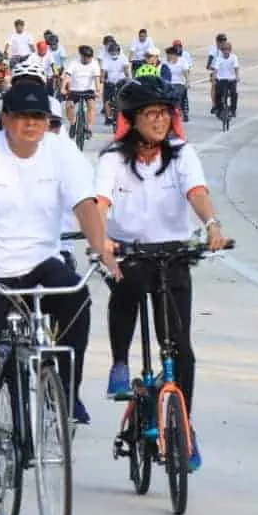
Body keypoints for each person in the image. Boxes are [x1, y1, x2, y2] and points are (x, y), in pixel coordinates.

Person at [0, 81, 120, 508]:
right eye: (22, 117)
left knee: (77, 300)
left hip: (40, 264)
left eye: (38, 118)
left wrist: (102, 252)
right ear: (5, 118)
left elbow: (85, 206)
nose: (31, 125)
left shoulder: (62, 152)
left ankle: (64, 386)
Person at [97, 77, 229, 468]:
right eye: (150, 114)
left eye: (164, 114)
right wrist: (101, 241)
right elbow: (100, 201)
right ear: (132, 120)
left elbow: (197, 193)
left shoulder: (182, 154)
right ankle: (120, 362)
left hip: (172, 254)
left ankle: (183, 426)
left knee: (181, 348)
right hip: (130, 251)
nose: (159, 121)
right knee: (128, 286)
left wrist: (212, 225)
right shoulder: (113, 159)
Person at [62, 43, 103, 132]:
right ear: (81, 55)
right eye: (86, 56)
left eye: (90, 57)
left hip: (89, 90)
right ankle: (73, 124)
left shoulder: (95, 63)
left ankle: (88, 128)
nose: (88, 59)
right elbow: (67, 76)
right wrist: (63, 88)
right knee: (69, 106)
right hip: (74, 90)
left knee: (91, 106)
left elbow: (97, 78)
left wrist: (98, 91)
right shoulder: (74, 62)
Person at [100, 38, 130, 129]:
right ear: (109, 52)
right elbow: (103, 71)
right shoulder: (106, 59)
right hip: (110, 82)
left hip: (121, 81)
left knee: (125, 98)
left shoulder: (123, 57)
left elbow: (125, 68)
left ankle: (126, 115)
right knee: (107, 99)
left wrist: (127, 77)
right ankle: (108, 116)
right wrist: (102, 78)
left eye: (115, 51)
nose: (113, 53)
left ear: (118, 51)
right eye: (111, 52)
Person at [209, 38, 240, 119]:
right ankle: (218, 108)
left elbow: (236, 67)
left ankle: (233, 110)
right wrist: (214, 78)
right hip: (222, 79)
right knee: (219, 93)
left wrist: (237, 77)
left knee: (234, 93)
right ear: (221, 50)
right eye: (223, 49)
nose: (225, 51)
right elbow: (216, 69)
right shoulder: (219, 58)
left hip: (231, 79)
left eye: (227, 49)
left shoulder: (234, 57)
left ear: (230, 50)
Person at [204, 33, 228, 109]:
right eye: (221, 41)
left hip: (224, 71)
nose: (222, 43)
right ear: (217, 42)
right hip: (215, 70)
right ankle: (214, 104)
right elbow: (210, 59)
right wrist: (209, 66)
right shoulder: (213, 49)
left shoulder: (227, 49)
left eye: (224, 41)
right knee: (213, 86)